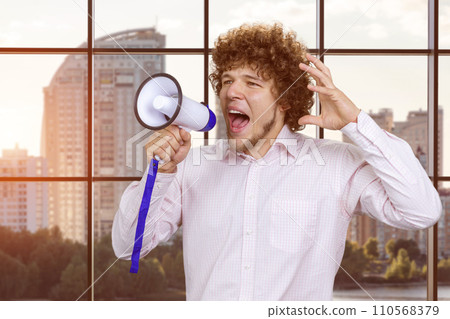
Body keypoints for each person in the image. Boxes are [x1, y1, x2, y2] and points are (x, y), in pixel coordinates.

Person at [112, 23, 442, 300]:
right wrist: (162, 174)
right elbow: (127, 247)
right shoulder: (190, 167)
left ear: (285, 100)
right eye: (227, 81)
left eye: (251, 83)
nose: (231, 92)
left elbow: (423, 211)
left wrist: (356, 123)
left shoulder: (337, 165)